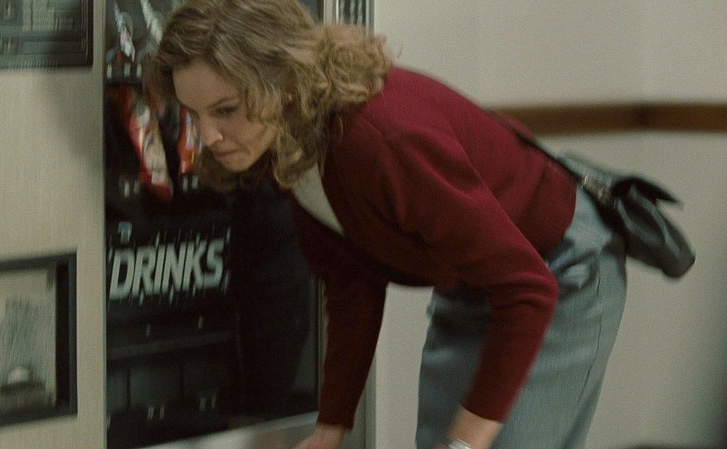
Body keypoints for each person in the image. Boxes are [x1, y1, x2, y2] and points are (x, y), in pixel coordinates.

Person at [145, 1, 628, 448]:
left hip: (559, 265)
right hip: (475, 279)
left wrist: (464, 444)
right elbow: (351, 283)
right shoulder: (286, 136)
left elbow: (526, 287)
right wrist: (330, 428)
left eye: (226, 110)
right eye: (194, 114)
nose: (208, 136)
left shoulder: (379, 139)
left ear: (284, 84)